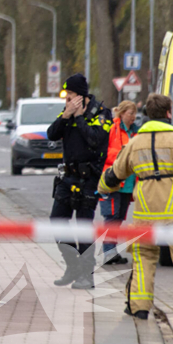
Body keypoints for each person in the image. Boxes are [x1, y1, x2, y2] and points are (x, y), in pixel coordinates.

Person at [100, 93, 173, 324]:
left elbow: (115, 173)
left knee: (143, 258)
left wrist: (101, 187)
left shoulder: (135, 142)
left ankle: (139, 309)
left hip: (145, 212)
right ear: (169, 113)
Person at [47, 73, 112, 289]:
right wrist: (65, 116)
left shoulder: (101, 114)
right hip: (67, 177)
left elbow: (95, 139)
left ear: (82, 96)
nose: (67, 101)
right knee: (57, 221)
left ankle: (87, 274)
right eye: (66, 98)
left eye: (71, 97)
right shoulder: (67, 112)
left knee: (84, 227)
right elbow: (52, 134)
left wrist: (79, 117)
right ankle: (72, 266)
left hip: (88, 178)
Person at [101, 100, 138, 266]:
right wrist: (122, 154)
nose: (133, 117)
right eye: (130, 113)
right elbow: (104, 152)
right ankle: (108, 252)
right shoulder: (112, 129)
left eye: (135, 114)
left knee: (119, 217)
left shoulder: (136, 131)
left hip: (129, 182)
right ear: (122, 113)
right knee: (111, 216)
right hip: (113, 180)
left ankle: (112, 251)